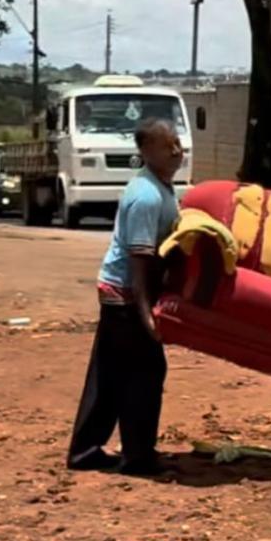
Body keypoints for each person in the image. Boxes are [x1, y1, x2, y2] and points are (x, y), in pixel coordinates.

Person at [66, 117, 184, 476]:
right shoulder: (146, 196)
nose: (177, 151)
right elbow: (139, 258)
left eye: (177, 143)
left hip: (121, 292)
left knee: (110, 375)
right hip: (127, 296)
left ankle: (85, 452)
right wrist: (147, 314)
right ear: (147, 151)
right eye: (168, 146)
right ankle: (137, 457)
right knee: (144, 374)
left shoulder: (160, 187)